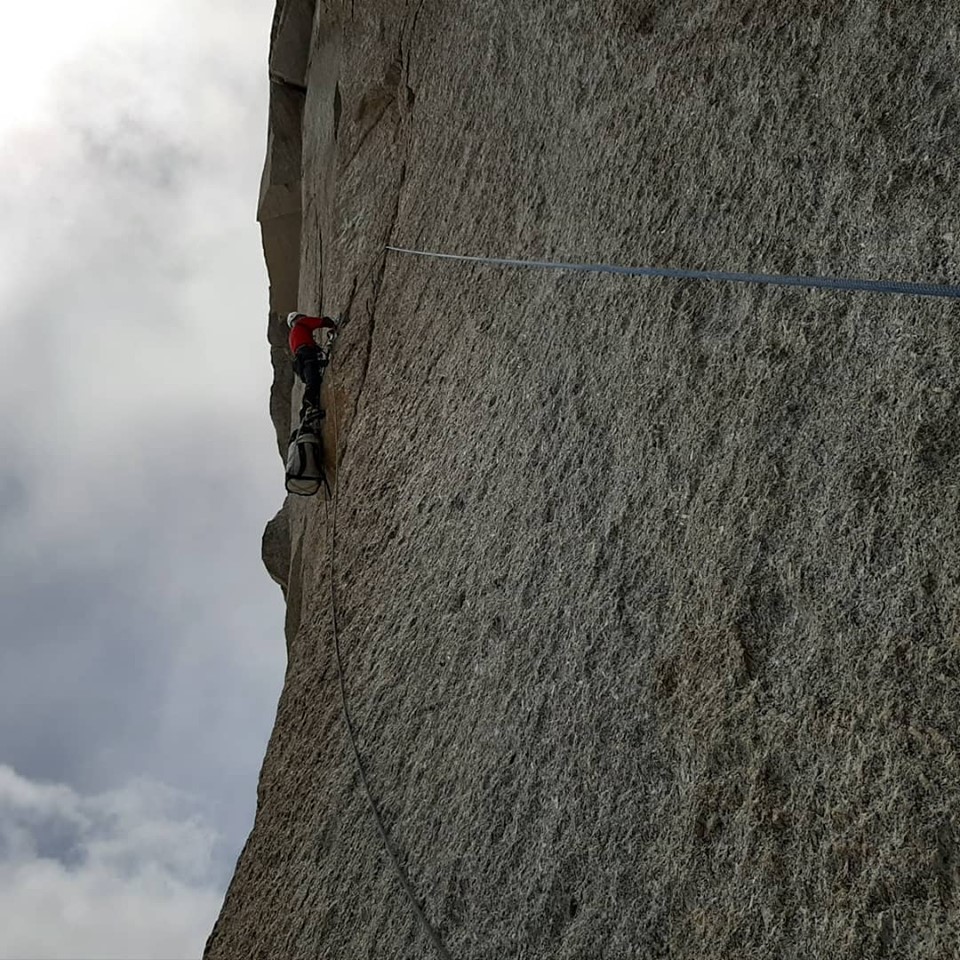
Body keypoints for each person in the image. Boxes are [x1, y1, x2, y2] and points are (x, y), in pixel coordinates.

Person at [287, 311, 338, 420]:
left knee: (313, 382)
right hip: (307, 355)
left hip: (299, 363)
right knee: (313, 381)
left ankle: (311, 408)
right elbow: (319, 322)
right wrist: (332, 323)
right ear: (297, 318)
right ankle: (308, 409)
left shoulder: (292, 336)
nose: (303, 317)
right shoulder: (301, 323)